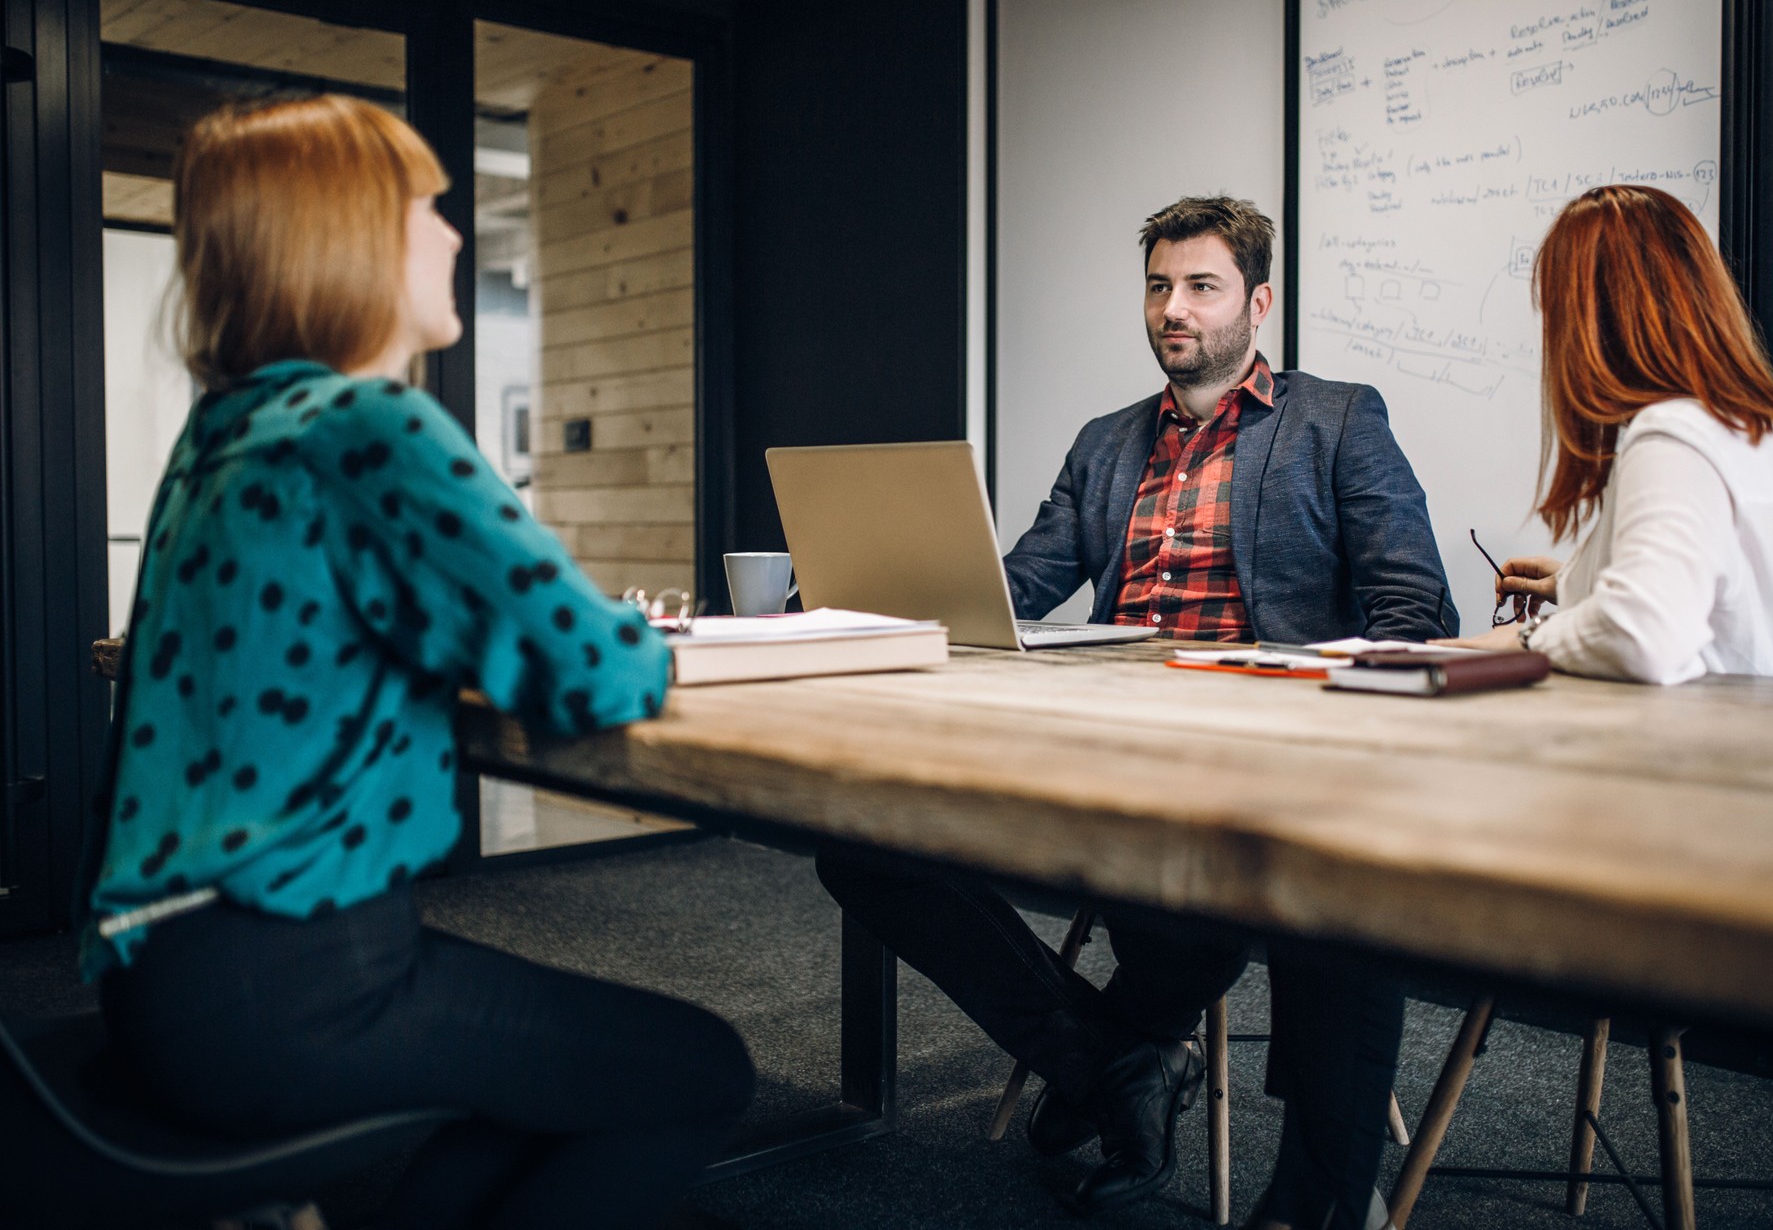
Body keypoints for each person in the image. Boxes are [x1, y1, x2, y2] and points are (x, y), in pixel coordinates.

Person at [78, 95, 752, 1230]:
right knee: (701, 1071)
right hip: (295, 981)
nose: (449, 233)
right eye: (425, 206)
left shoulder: (228, 428)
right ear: (346, 236)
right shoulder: (369, 425)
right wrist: (635, 625)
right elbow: (597, 670)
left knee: (537, 1089)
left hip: (161, 970)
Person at [818, 195, 1455, 1217]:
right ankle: (1111, 1058)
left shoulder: (1338, 419)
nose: (1175, 308)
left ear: (1259, 301)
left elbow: (1412, 606)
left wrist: (1308, 689)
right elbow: (1017, 584)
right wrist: (872, 602)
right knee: (861, 843)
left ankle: (1277, 1155)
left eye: (1201, 286)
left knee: (1295, 878)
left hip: (1264, 746)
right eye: (1160, 285)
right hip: (1104, 736)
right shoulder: (1109, 443)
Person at [1438, 184, 1773, 683]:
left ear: (1595, 320)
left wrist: (1524, 638)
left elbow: (1643, 634)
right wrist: (1575, 582)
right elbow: (1724, 605)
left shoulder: (1672, 439)